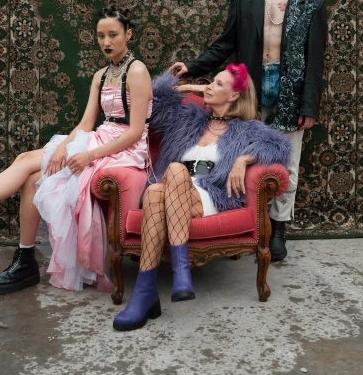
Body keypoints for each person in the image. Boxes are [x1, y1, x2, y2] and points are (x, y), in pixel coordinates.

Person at [0, 7, 153, 295]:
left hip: (126, 149)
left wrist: (88, 155)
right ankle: (24, 259)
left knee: (25, 160)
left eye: (113, 35)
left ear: (129, 34)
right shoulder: (101, 75)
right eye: (101, 36)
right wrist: (63, 147)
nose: (106, 42)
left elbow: (136, 132)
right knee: (30, 176)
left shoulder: (137, 71)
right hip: (100, 137)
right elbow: (87, 123)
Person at [170, 0, 327, 262]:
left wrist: (309, 104)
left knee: (288, 162)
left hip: (292, 90)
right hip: (249, 91)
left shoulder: (311, 2)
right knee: (236, 156)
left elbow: (316, 60)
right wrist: (192, 67)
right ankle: (239, 226)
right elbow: (225, 44)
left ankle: (279, 228)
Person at [113, 64, 291, 331]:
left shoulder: (248, 130)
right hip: (170, 192)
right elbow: (151, 100)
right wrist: (187, 87)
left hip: (207, 196)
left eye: (219, 84)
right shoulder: (186, 119)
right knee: (155, 190)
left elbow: (279, 146)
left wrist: (245, 158)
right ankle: (163, 284)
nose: (209, 86)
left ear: (233, 96)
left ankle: (152, 288)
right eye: (211, 82)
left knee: (169, 175)